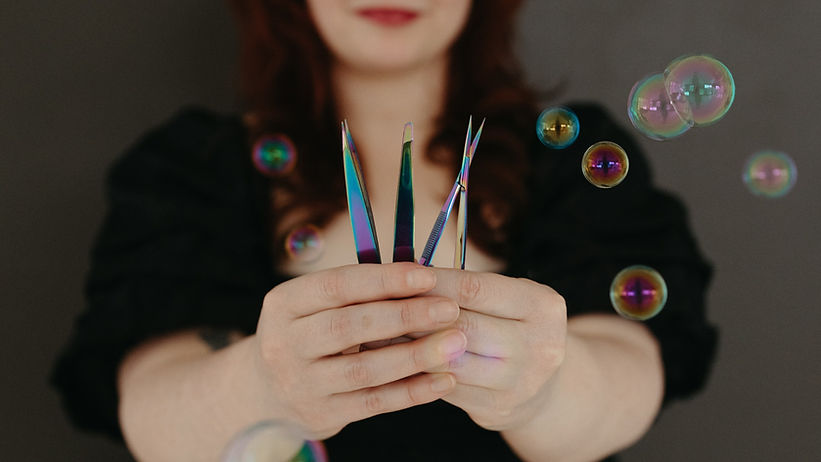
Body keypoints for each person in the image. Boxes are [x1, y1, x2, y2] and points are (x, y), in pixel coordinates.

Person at [51, 0, 718, 461]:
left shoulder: (567, 161)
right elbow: (155, 411)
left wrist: (541, 394)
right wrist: (261, 385)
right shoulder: (192, 169)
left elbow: (628, 372)